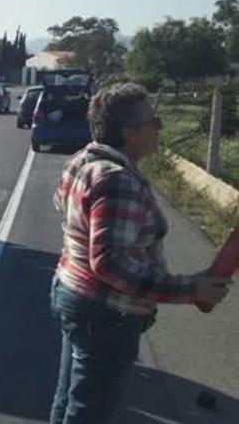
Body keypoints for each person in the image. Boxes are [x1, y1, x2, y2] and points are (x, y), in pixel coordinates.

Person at [48, 83, 231, 424]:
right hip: (104, 314)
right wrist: (191, 289)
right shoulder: (118, 182)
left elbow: (64, 206)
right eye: (154, 121)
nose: (159, 127)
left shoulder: (83, 160)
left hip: (72, 295)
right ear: (131, 133)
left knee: (68, 401)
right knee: (89, 412)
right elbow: (110, 263)